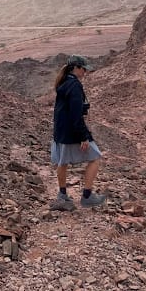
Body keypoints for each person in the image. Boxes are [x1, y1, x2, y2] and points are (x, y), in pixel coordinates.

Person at [51, 54, 105, 209]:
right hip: (72, 131)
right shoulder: (75, 86)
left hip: (61, 131)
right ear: (76, 68)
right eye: (83, 69)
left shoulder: (63, 82)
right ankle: (87, 197)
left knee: (63, 162)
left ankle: (62, 195)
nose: (85, 73)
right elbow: (75, 114)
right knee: (95, 157)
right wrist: (83, 136)